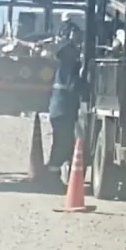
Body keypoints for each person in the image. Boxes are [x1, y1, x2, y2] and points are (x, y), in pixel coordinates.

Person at [47, 19, 83, 185]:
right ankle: (52, 174)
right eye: (77, 36)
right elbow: (73, 84)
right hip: (63, 107)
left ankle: (54, 172)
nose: (79, 40)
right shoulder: (69, 56)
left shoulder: (66, 55)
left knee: (62, 141)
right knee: (63, 142)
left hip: (60, 107)